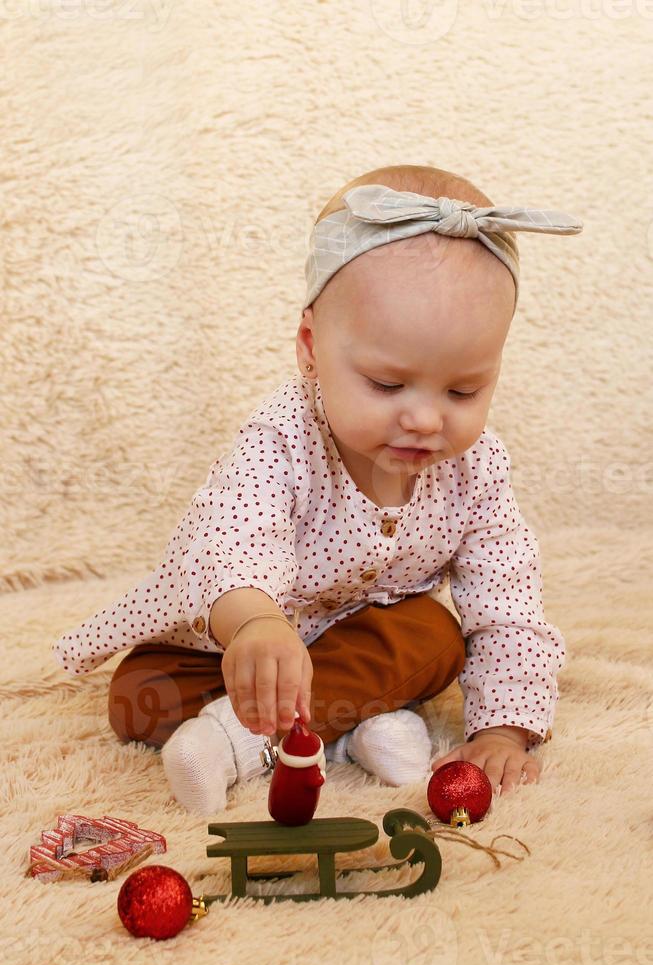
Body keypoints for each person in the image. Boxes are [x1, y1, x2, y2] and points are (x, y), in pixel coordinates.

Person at [50, 164, 582, 817]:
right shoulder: (279, 441)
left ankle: (236, 742)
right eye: (387, 386)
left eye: (462, 391)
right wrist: (255, 626)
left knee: (435, 637)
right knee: (136, 698)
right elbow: (230, 546)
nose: (423, 418)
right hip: (235, 642)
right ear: (311, 347)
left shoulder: (476, 471)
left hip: (362, 641)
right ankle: (360, 726)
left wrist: (502, 730)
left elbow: (506, 607)